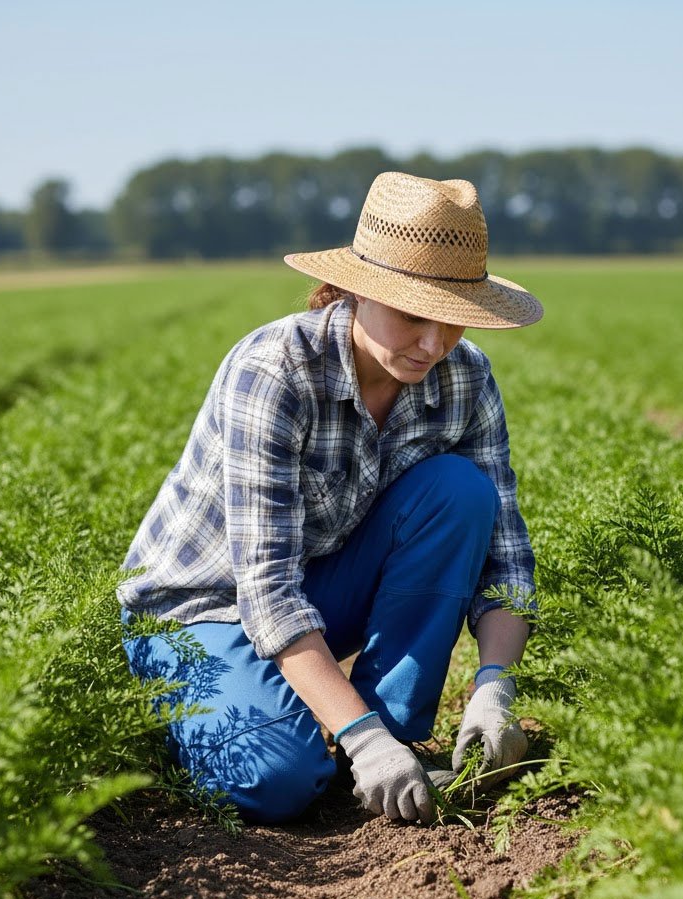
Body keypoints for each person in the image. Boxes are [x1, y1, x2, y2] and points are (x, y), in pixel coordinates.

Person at [118, 171, 543, 825]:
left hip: (314, 585)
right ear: (357, 291)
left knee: (461, 491)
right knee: (277, 780)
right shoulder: (276, 371)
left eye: (452, 321)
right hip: (195, 607)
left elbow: (506, 560)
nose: (434, 344)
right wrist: (358, 735)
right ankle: (317, 732)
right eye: (413, 317)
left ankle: (388, 728)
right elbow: (265, 591)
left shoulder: (465, 376)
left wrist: (495, 686)